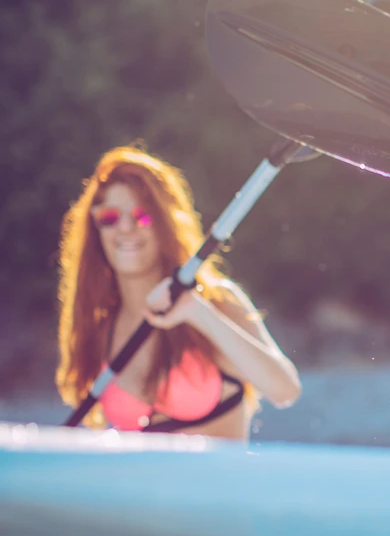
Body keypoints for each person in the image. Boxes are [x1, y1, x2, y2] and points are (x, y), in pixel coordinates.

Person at [56, 144, 301, 439]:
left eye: (141, 216)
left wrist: (197, 313)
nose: (125, 229)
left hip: (221, 485)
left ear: (165, 223)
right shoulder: (100, 330)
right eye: (109, 217)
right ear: (96, 228)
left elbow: (285, 390)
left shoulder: (216, 302)